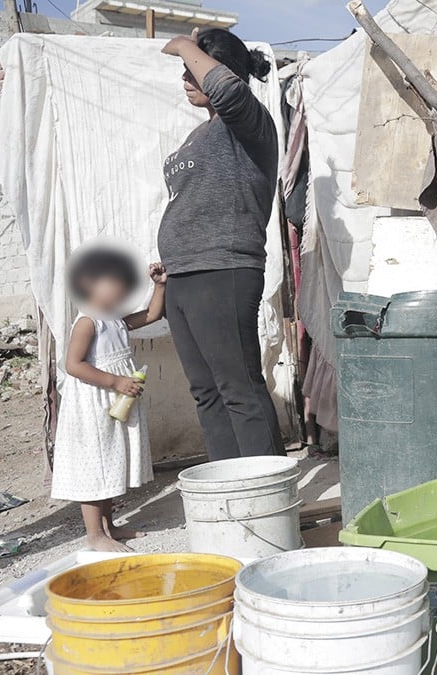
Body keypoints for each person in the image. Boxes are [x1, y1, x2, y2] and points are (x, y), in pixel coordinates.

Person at [158, 27, 283, 461]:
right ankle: (229, 489)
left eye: (192, 69)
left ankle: (267, 494)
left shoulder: (248, 122)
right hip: (184, 275)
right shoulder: (199, 135)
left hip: (224, 268)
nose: (185, 78)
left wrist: (184, 45)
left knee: (240, 389)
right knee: (207, 393)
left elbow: (227, 91)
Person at [51, 247, 167, 552]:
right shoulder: (88, 322)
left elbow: (153, 314)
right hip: (93, 404)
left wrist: (159, 285)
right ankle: (94, 534)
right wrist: (116, 381)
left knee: (111, 463)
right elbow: (73, 365)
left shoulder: (114, 318)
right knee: (95, 467)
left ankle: (108, 526)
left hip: (114, 401)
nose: (121, 290)